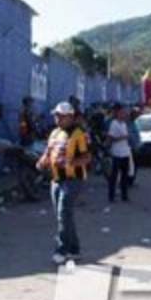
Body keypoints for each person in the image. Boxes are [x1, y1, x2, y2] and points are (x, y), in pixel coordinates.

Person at [37, 101, 91, 265]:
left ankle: (61, 250)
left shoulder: (79, 134)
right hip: (56, 180)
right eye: (56, 115)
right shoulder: (54, 133)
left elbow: (87, 157)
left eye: (60, 116)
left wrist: (70, 163)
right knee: (64, 216)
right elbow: (48, 152)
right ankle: (74, 250)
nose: (57, 118)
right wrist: (42, 162)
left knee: (63, 214)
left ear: (70, 117)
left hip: (73, 180)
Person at [106, 103, 132, 203]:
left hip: (125, 152)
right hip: (117, 154)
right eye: (121, 113)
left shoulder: (124, 124)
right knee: (114, 176)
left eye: (124, 113)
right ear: (117, 114)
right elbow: (110, 138)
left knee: (125, 176)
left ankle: (124, 195)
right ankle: (111, 196)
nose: (124, 114)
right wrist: (122, 138)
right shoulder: (114, 124)